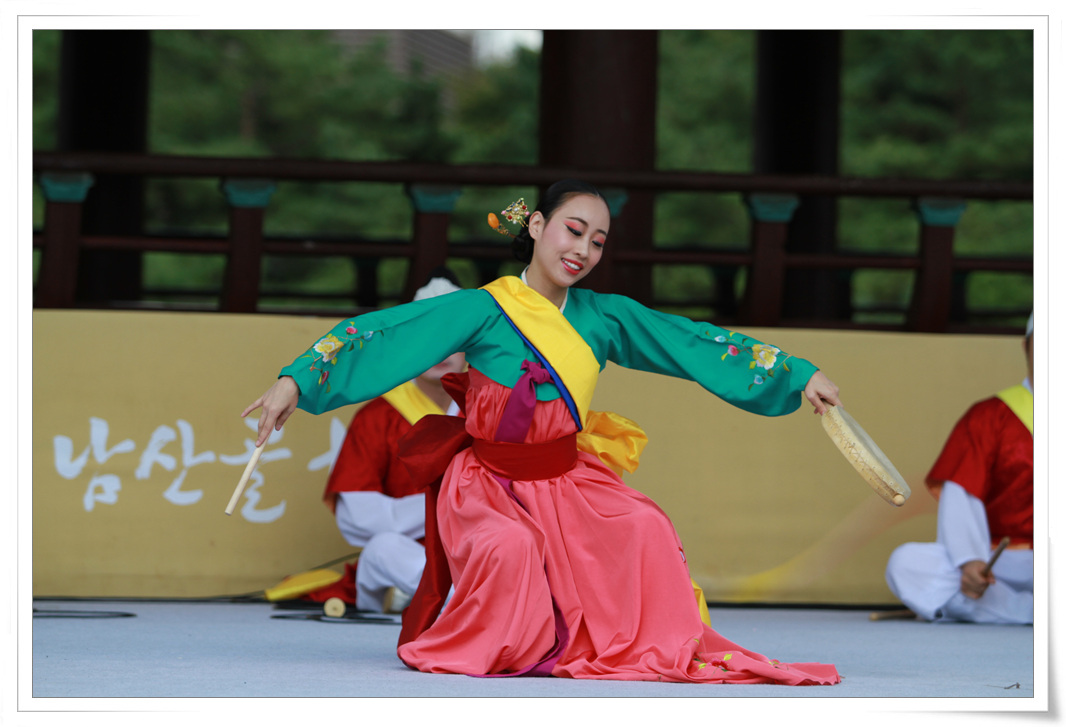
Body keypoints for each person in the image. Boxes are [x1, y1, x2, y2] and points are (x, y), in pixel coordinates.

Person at [243, 179, 842, 685]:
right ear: (535, 226)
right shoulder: (483, 308)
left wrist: (795, 374)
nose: (582, 249)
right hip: (487, 481)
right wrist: (299, 380)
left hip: (566, 477)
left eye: (597, 241)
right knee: (511, 547)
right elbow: (391, 333)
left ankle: (627, 644)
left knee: (646, 526)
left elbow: (692, 342)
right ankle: (511, 641)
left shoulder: (603, 317)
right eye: (573, 230)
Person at [321, 273, 465, 614]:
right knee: (383, 548)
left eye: (452, 335)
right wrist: (454, 502)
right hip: (409, 553)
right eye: (426, 335)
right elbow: (360, 519)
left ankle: (439, 601)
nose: (440, 347)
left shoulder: (490, 409)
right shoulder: (379, 416)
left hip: (474, 548)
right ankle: (462, 602)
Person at [884, 314, 1034, 624]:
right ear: (1026, 346)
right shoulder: (990, 416)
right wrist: (970, 562)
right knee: (907, 564)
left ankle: (1011, 610)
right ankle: (1031, 611)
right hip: (998, 562)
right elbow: (960, 491)